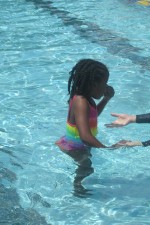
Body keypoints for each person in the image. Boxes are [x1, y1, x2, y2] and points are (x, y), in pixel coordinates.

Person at [55, 59, 116, 196]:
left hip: (79, 144)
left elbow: (93, 116)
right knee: (87, 168)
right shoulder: (81, 101)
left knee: (87, 165)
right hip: (75, 146)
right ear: (94, 84)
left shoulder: (86, 98)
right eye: (104, 83)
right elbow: (85, 136)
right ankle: (77, 190)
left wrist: (105, 99)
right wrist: (106, 149)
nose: (106, 86)